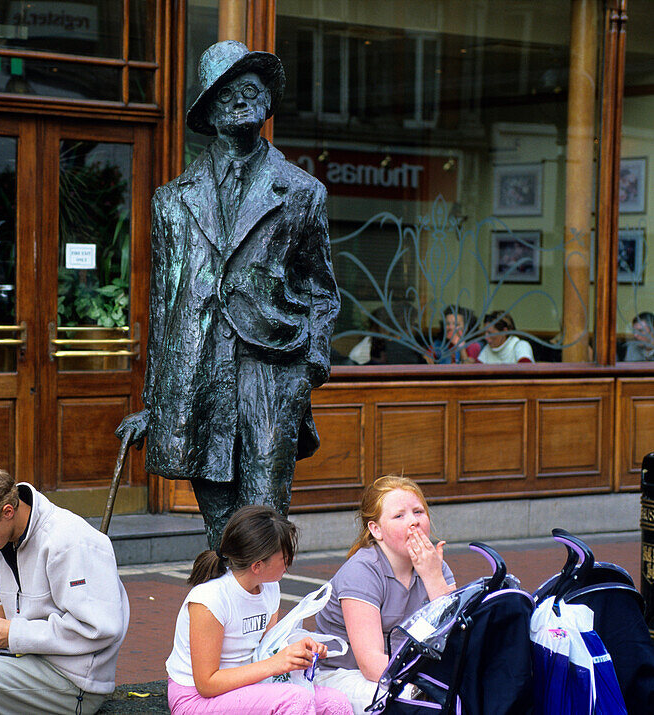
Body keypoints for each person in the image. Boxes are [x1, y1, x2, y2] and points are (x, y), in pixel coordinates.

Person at [116, 40, 339, 549]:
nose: (239, 101)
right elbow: (163, 305)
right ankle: (230, 623)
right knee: (220, 529)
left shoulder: (301, 191)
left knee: (263, 521)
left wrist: (309, 369)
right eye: (224, 93)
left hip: (273, 369)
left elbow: (323, 291)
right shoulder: (172, 200)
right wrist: (155, 401)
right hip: (196, 374)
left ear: (266, 104)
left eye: (250, 90)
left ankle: (260, 622)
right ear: (209, 111)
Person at [0, 460, 129, 715]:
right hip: (30, 663)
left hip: (75, 683)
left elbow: (99, 628)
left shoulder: (70, 541)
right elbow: (34, 608)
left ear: (7, 511)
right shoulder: (6, 536)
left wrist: (13, 634)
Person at [165, 505, 352, 715]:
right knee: (295, 699)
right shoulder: (209, 600)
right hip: (195, 699)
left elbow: (266, 650)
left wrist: (297, 649)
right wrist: (275, 664)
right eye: (284, 557)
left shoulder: (269, 588)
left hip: (246, 687)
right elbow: (207, 684)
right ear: (257, 566)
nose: (289, 562)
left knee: (336, 701)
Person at [313, 476, 455, 715]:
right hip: (344, 674)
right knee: (415, 701)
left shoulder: (435, 566)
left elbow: (452, 640)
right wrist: (424, 686)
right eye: (399, 516)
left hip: (409, 669)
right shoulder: (362, 571)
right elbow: (371, 665)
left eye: (418, 512)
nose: (413, 522)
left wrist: (433, 580)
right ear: (375, 529)